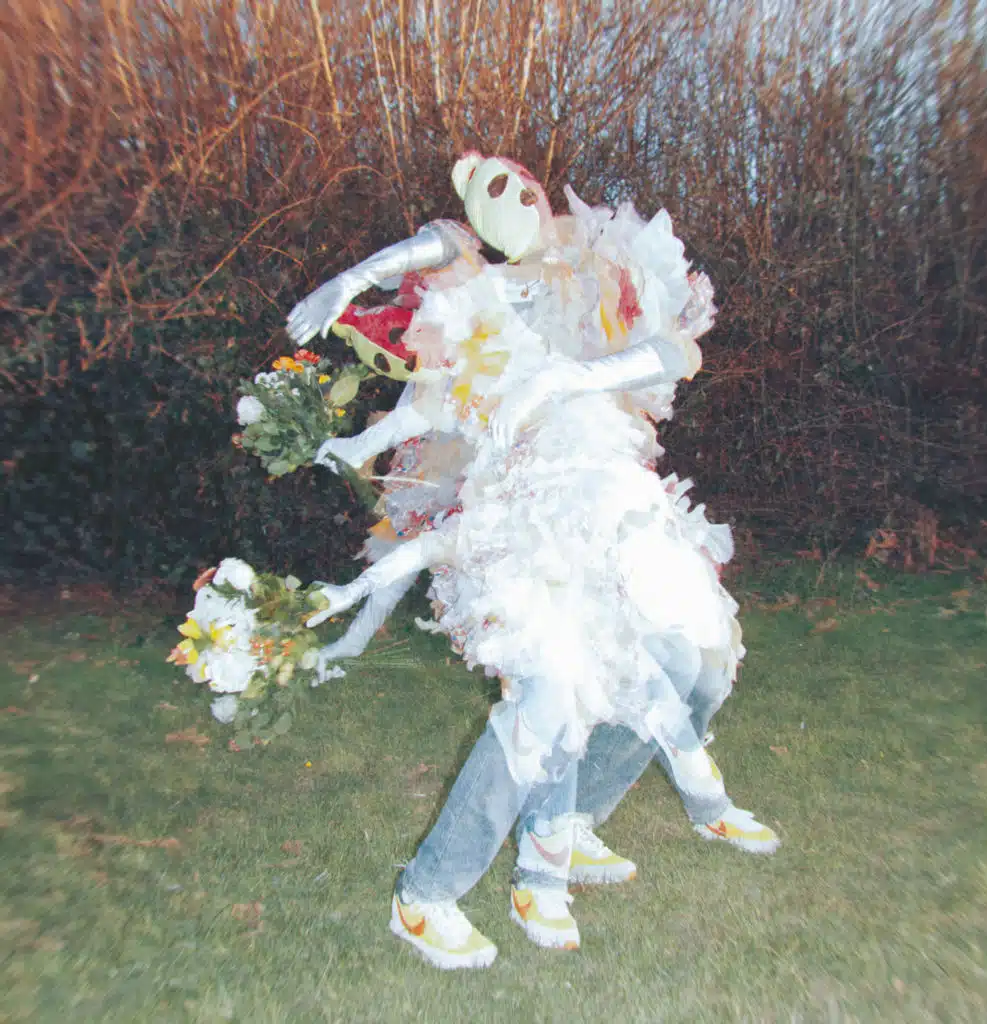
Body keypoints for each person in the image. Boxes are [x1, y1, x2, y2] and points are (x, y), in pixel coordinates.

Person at [290, 154, 777, 969]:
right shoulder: (464, 307)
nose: (513, 205)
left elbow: (676, 354)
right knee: (548, 697)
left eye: (519, 189)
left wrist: (571, 380)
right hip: (512, 527)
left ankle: (568, 826)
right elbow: (432, 257)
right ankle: (430, 894)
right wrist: (348, 284)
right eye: (492, 201)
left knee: (690, 663)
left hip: (604, 507)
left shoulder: (584, 278)